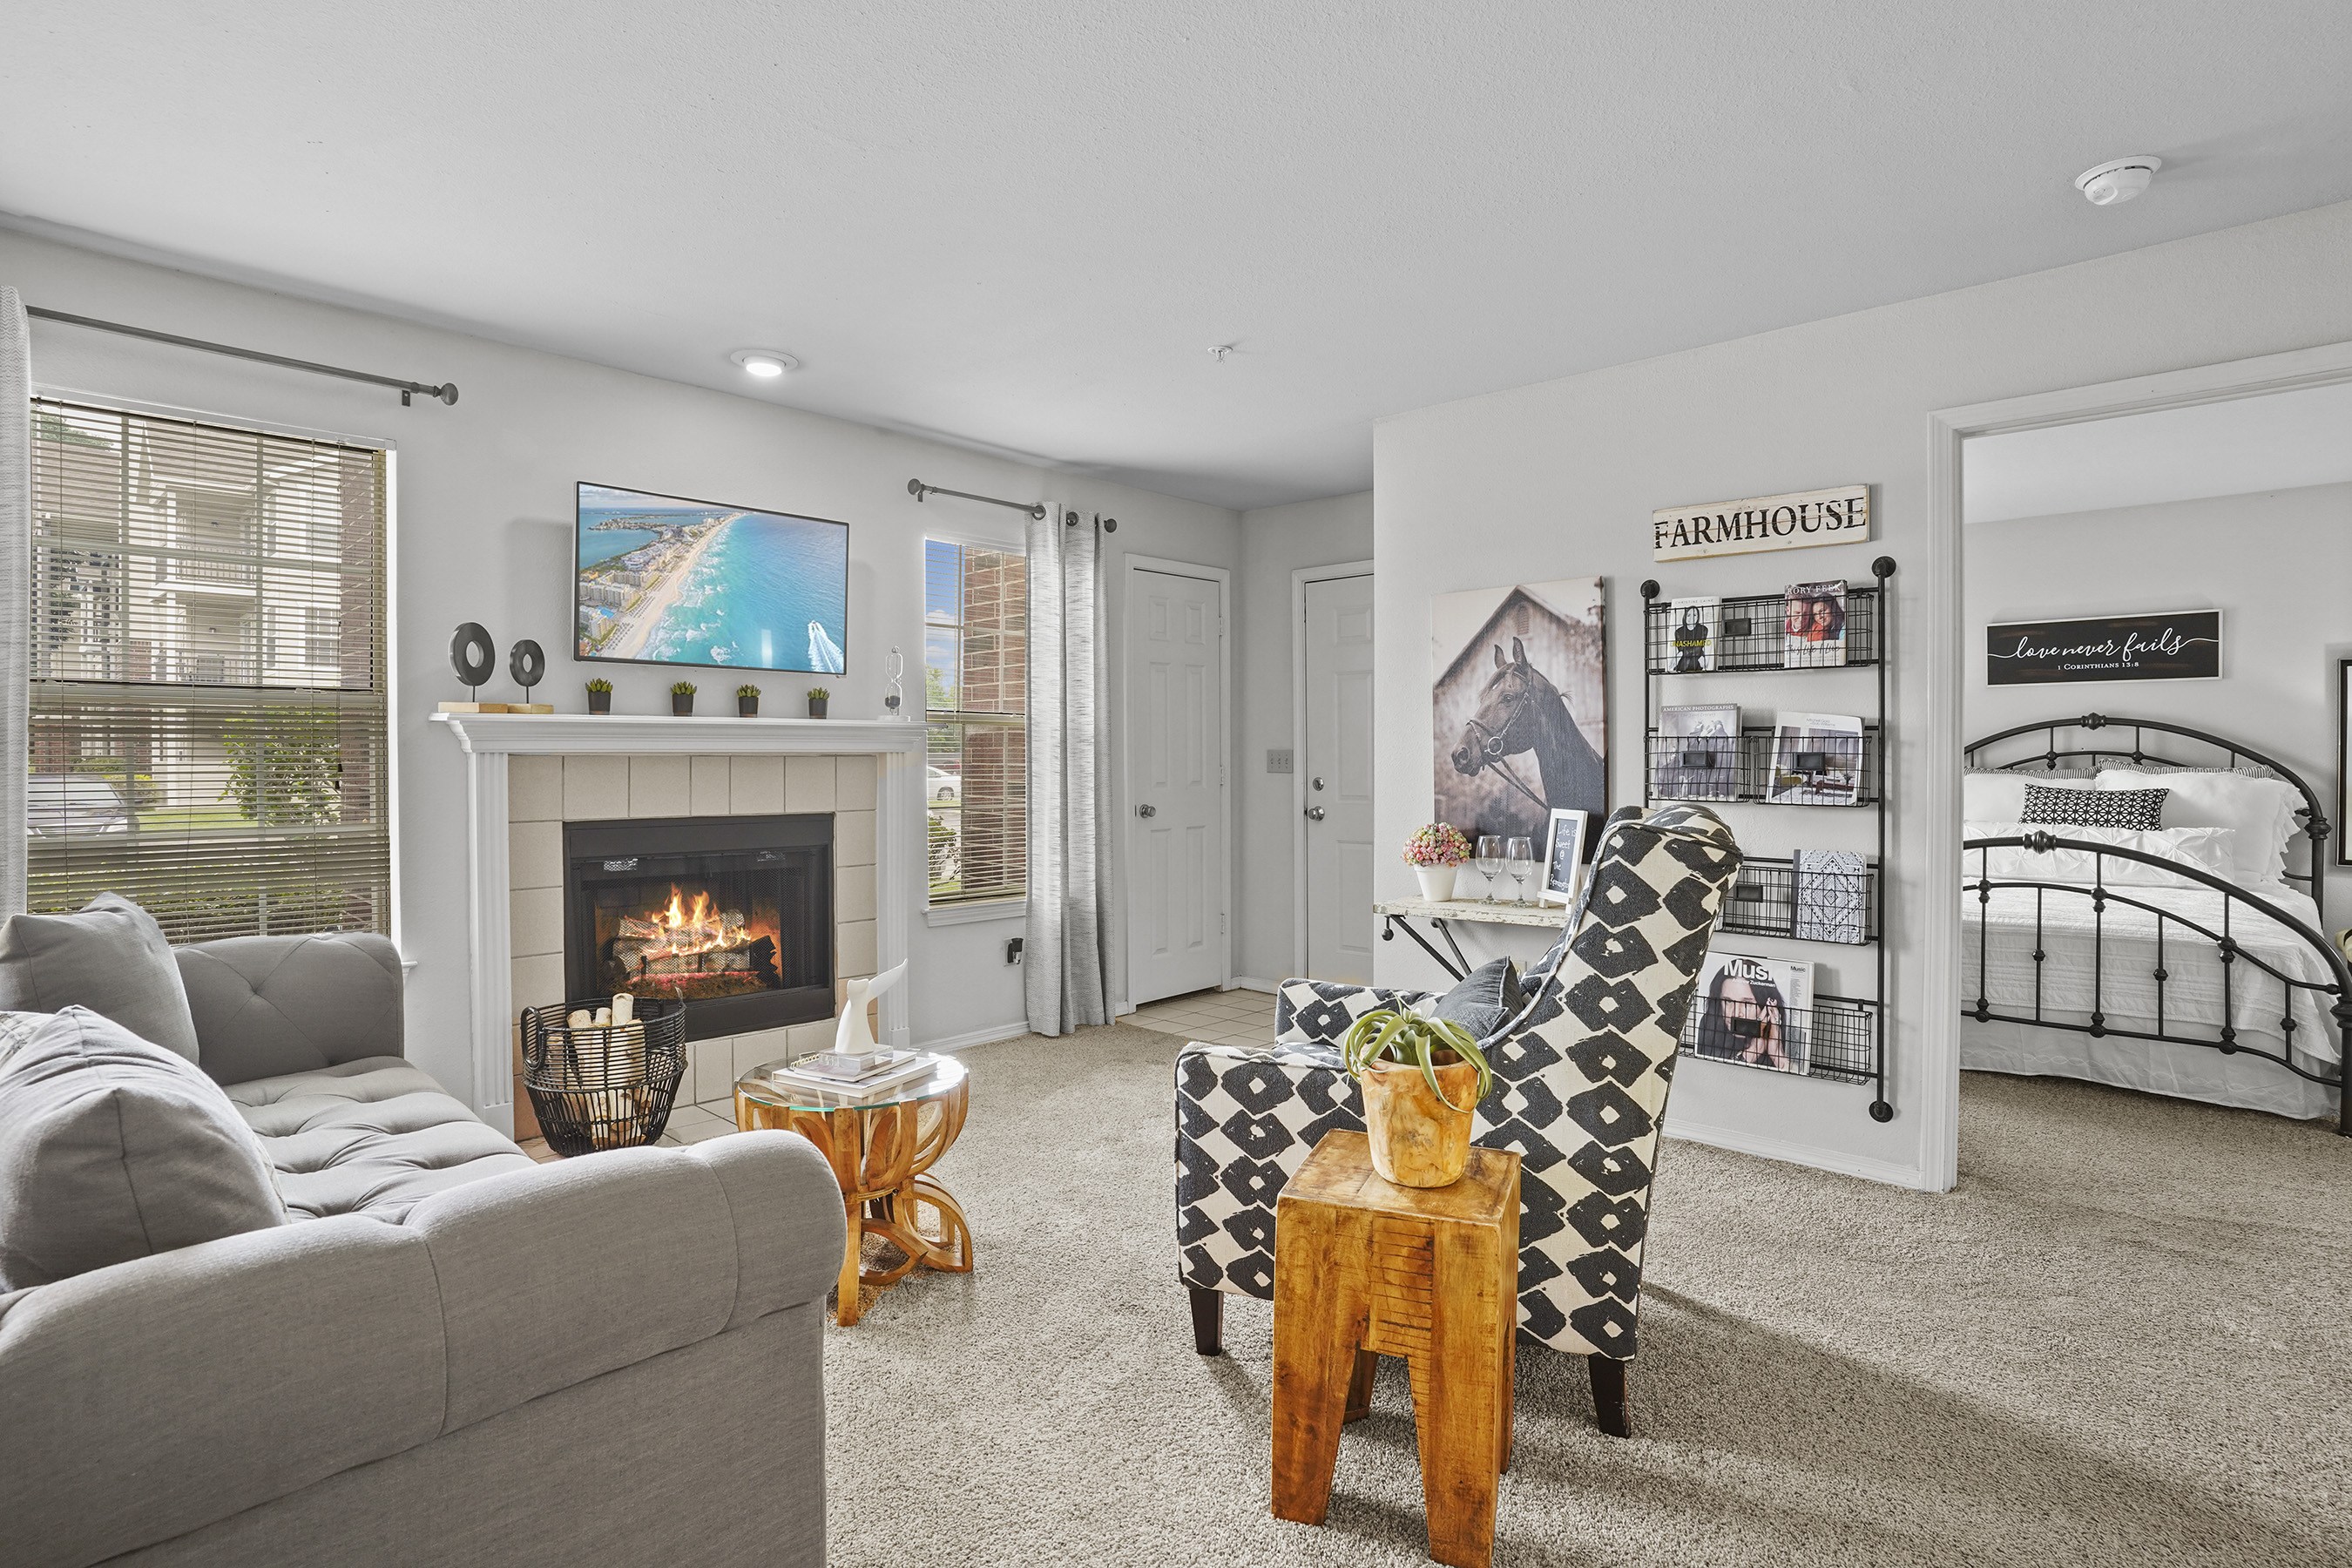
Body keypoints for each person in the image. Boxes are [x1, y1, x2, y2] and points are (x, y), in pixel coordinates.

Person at [1692, 959, 1795, 1071]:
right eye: (1728, 1001)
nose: (1736, 1014)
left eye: (1747, 1004)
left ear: (1767, 1006)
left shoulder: (1789, 1034)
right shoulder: (1710, 1024)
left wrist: (1777, 1056)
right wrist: (1752, 1052)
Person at [1672, 605, 1711, 672]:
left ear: (1698, 617)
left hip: (1696, 659)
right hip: (1689, 659)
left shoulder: (1703, 629)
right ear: (1685, 616)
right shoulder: (1679, 631)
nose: (1692, 618)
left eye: (1695, 615)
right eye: (1689, 615)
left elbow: (1698, 648)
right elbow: (1682, 649)